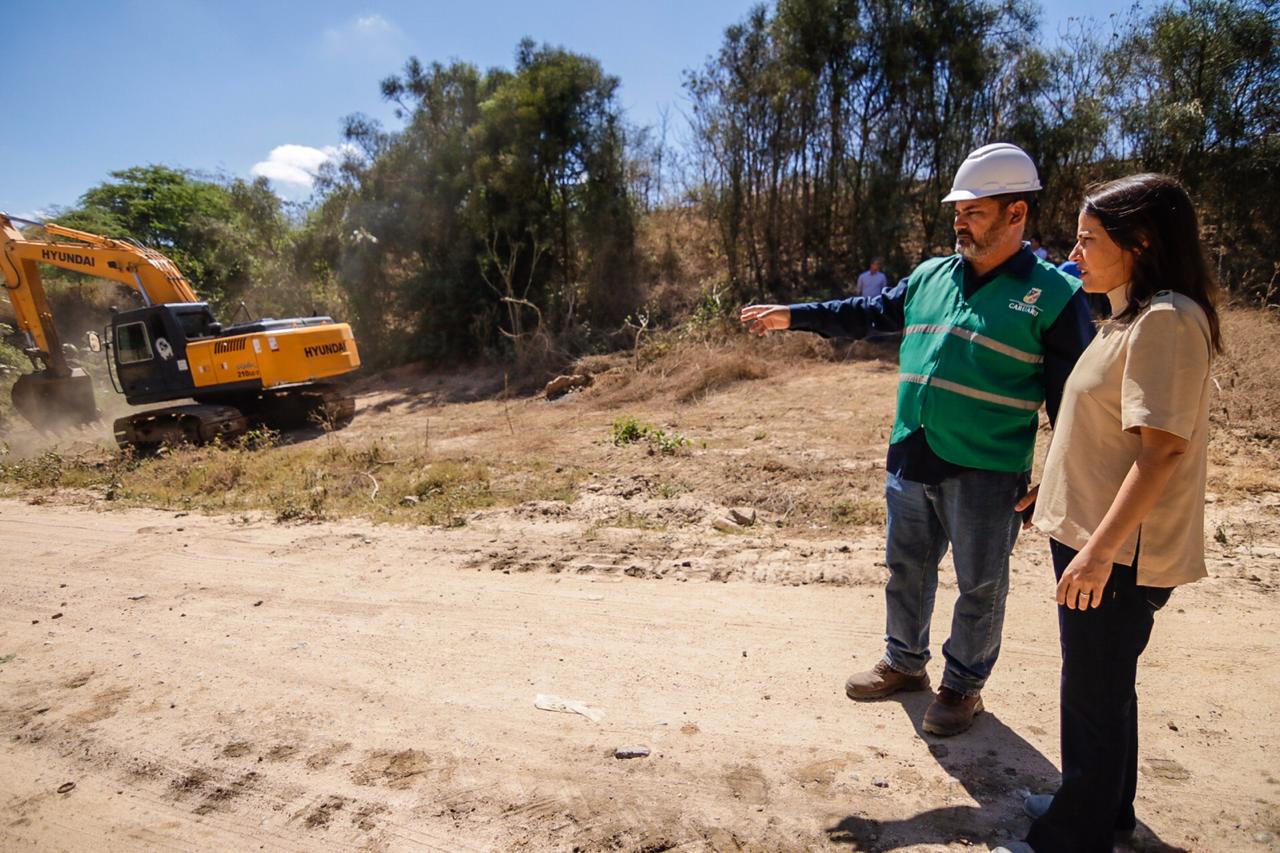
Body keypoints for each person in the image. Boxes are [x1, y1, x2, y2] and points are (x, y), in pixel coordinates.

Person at [740, 143, 1094, 736]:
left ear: (1016, 214)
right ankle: (904, 662)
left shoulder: (1054, 296)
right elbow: (865, 313)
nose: (960, 222)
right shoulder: (930, 276)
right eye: (957, 211)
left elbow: (1074, 401)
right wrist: (795, 314)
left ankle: (963, 687)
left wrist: (1057, 479)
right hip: (911, 454)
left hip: (988, 469)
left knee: (980, 584)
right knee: (906, 568)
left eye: (974, 212)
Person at [996, 174, 1222, 853]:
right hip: (1097, 534)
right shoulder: (1126, 316)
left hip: (1117, 550)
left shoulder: (1167, 321)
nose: (1075, 253)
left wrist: (1097, 552)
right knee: (1105, 683)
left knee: (1094, 690)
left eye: (1089, 239)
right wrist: (1056, 487)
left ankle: (1074, 834)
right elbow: (1107, 431)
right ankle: (1106, 806)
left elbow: (1161, 452)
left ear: (1141, 242)